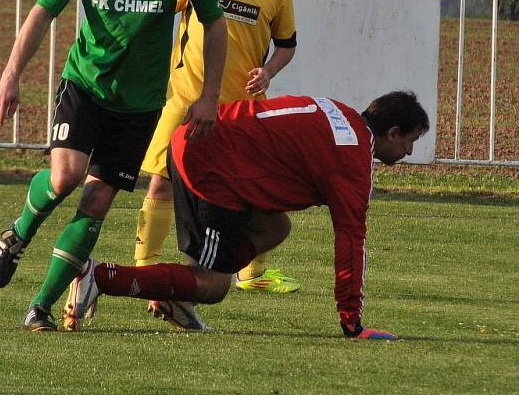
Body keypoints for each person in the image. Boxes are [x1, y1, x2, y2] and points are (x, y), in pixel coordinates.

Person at [0, 0, 228, 332]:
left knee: (97, 202)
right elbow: (43, 11)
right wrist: (9, 75)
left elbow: (215, 23)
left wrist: (209, 96)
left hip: (139, 105)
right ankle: (18, 234)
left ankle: (41, 306)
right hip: (85, 86)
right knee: (65, 178)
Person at [65, 91, 429, 339]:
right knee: (214, 284)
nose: (409, 152)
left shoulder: (341, 112)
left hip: (202, 142)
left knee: (275, 226)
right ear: (392, 133)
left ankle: (176, 294)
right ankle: (99, 276)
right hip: (212, 163)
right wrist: (352, 322)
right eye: (410, 141)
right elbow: (351, 240)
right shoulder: (354, 156)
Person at [130, 0, 299, 327]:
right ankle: (145, 269)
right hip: (186, 101)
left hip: (242, 113)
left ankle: (251, 273)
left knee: (248, 194)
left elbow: (287, 45)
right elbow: (158, 12)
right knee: (161, 183)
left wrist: (270, 72)